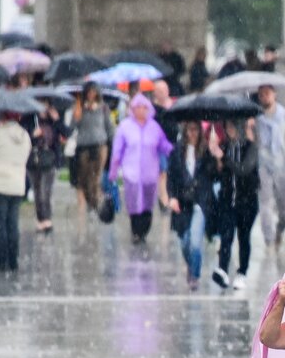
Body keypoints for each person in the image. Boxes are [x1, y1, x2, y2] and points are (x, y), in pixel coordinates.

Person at [109, 93, 174, 244]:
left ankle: (143, 231)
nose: (140, 110)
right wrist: (113, 171)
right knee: (133, 202)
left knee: (147, 203)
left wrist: (176, 151)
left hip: (150, 173)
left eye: (144, 107)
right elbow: (117, 150)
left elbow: (163, 145)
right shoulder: (125, 127)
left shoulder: (154, 127)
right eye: (137, 107)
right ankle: (136, 231)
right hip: (131, 173)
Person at [167, 121, 219, 290]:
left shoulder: (205, 153)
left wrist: (216, 156)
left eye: (196, 129)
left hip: (200, 203)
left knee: (196, 242)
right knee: (185, 241)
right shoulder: (176, 152)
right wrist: (172, 197)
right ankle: (191, 264)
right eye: (189, 129)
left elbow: (213, 174)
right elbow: (172, 178)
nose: (193, 133)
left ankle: (194, 275)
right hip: (183, 203)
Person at [215, 116, 260, 290]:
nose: (230, 130)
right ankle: (223, 269)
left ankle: (242, 272)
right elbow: (217, 174)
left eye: (233, 126)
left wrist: (224, 158)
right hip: (228, 201)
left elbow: (244, 170)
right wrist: (217, 163)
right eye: (227, 127)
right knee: (226, 236)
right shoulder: (224, 146)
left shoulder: (251, 148)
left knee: (244, 237)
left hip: (247, 202)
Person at [0, 112, 31, 272]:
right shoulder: (25, 135)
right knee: (12, 224)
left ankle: (1, 261)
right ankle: (13, 260)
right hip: (17, 185)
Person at [255, 83, 285, 248]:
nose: (264, 96)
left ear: (274, 94)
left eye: (267, 93)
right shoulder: (255, 116)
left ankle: (281, 227)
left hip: (282, 166)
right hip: (263, 165)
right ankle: (269, 238)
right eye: (261, 94)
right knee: (265, 203)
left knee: (284, 206)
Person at [24, 98, 68, 233]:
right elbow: (23, 137)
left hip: (49, 160)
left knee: (45, 191)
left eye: (45, 103)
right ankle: (41, 219)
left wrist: (57, 120)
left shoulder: (53, 119)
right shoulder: (30, 119)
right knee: (37, 192)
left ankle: (47, 219)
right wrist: (33, 135)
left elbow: (67, 133)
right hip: (33, 160)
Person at [71, 82, 114, 213]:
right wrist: (78, 112)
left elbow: (109, 127)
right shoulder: (80, 108)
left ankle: (97, 205)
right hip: (84, 146)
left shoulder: (103, 108)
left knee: (96, 177)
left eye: (93, 91)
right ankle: (91, 201)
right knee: (84, 178)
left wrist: (113, 144)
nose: (91, 94)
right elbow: (74, 125)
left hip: (100, 145)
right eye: (89, 92)